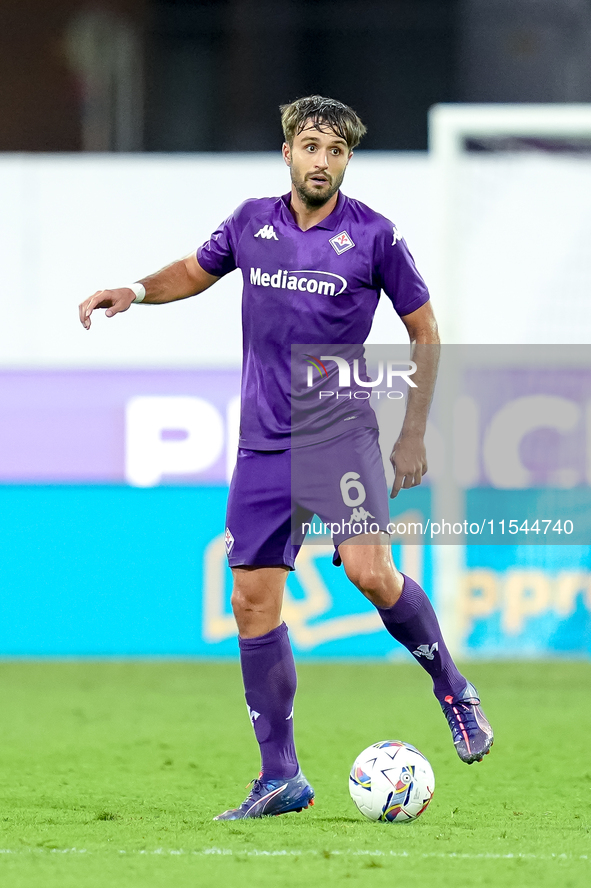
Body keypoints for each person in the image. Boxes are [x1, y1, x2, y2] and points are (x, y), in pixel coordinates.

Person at [79, 95, 493, 821]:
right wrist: (135, 291)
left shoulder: (375, 237)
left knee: (370, 570)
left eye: (335, 151)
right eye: (310, 146)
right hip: (264, 442)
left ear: (347, 161)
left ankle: (453, 691)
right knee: (250, 602)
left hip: (340, 436)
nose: (321, 161)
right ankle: (279, 777)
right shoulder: (249, 222)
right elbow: (193, 270)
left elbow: (424, 330)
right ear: (287, 153)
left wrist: (412, 433)